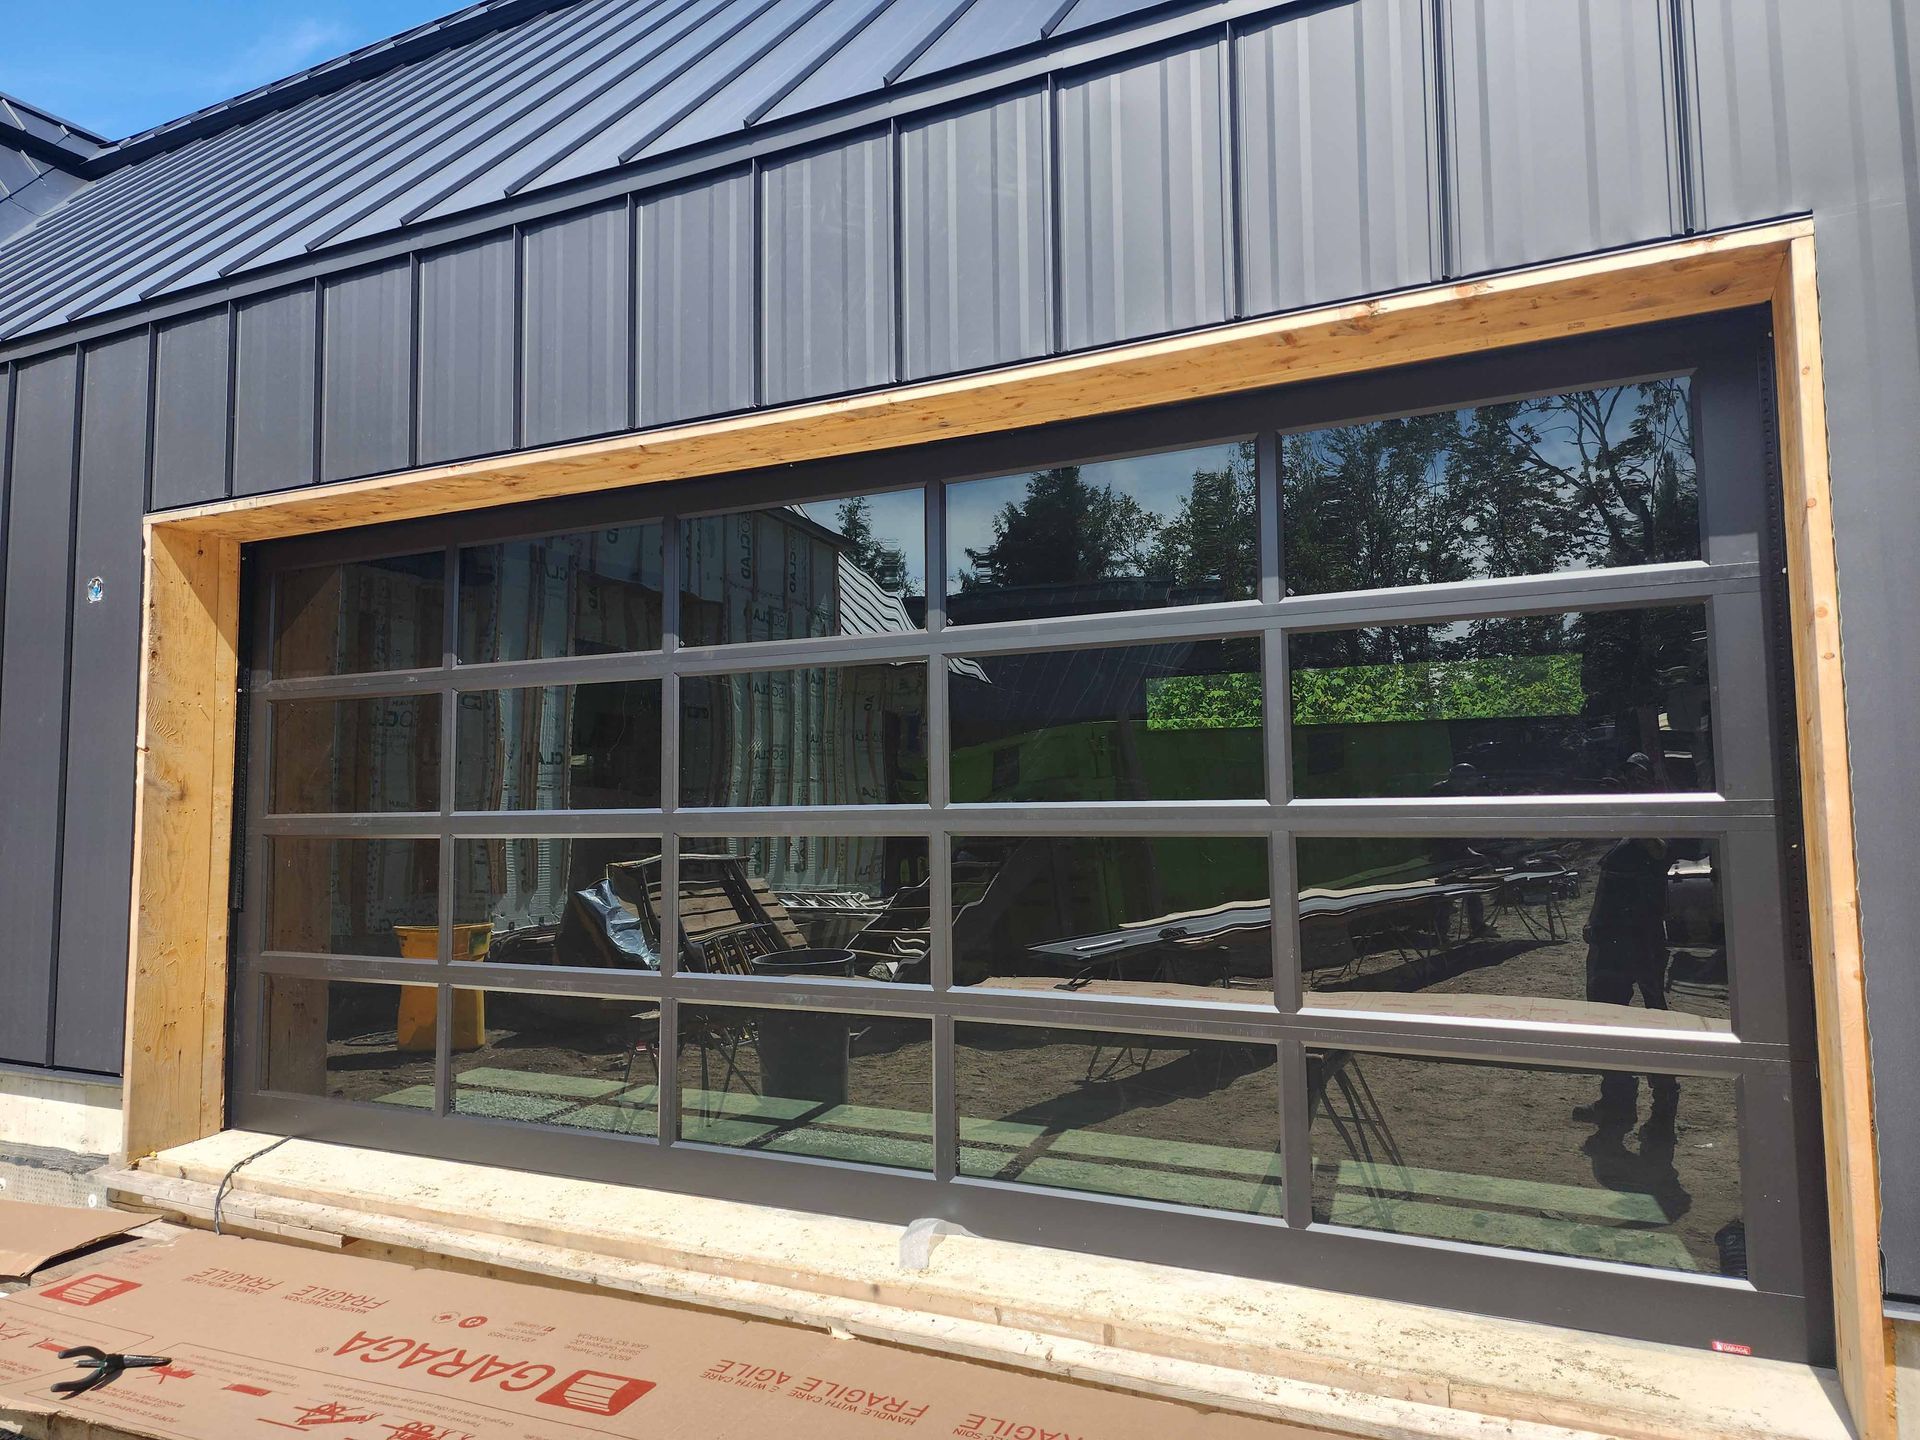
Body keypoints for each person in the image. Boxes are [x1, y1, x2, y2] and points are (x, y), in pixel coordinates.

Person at [1575, 772, 1679, 1129]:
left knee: (1631, 1020)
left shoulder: (1647, 839)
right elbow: (1607, 890)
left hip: (1630, 942)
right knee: (1614, 1021)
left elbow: (1660, 854)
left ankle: (1659, 1095)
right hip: (1619, 940)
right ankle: (1622, 1099)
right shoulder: (1628, 840)